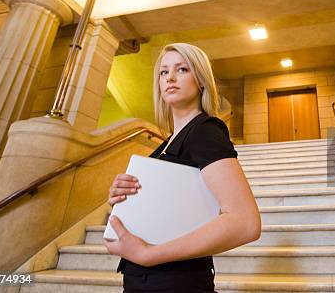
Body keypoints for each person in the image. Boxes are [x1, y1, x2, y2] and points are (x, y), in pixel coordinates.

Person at [104, 43, 261, 292]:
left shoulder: (205, 131)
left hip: (176, 283)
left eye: (182, 69)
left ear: (200, 79)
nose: (171, 78)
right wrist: (123, 201)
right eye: (164, 72)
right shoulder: (166, 143)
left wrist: (147, 254)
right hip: (142, 281)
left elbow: (245, 222)